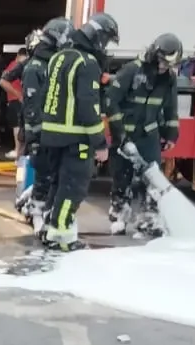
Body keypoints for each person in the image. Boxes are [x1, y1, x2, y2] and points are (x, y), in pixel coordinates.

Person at [36, 12, 119, 250]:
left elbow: (45, 97)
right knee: (72, 187)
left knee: (58, 184)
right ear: (99, 37)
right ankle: (61, 238)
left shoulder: (58, 58)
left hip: (52, 135)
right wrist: (100, 143)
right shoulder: (87, 63)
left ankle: (49, 229)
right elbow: (88, 105)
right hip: (76, 138)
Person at [106, 33, 183, 236]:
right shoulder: (132, 70)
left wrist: (171, 134)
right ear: (154, 55)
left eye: (169, 65)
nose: (164, 68)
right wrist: (118, 133)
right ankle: (119, 216)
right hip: (124, 135)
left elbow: (170, 108)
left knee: (152, 179)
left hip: (149, 136)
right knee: (121, 177)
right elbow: (111, 100)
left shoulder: (169, 79)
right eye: (162, 63)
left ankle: (148, 220)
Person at [20, 17, 74, 228]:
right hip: (41, 133)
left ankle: (30, 203)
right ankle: (36, 213)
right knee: (43, 175)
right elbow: (31, 107)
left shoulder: (53, 63)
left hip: (52, 132)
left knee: (52, 176)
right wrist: (35, 136)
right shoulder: (35, 67)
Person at [0, 40, 32, 157]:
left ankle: (18, 150)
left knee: (18, 126)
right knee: (18, 125)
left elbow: (3, 79)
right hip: (17, 98)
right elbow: (4, 80)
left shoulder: (17, 65)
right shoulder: (20, 65)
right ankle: (18, 150)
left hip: (17, 99)